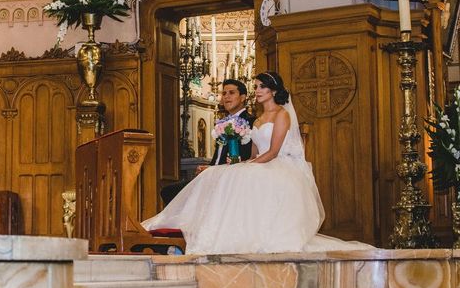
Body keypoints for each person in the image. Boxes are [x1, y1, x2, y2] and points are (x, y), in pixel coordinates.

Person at [143, 71, 371, 254]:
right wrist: (241, 164)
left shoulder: (282, 114)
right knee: (219, 174)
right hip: (260, 161)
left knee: (242, 175)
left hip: (278, 164)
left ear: (273, 90)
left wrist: (249, 165)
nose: (258, 91)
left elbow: (272, 151)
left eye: (262, 87)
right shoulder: (259, 119)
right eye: (256, 87)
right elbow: (253, 151)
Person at [160, 79, 255, 206]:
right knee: (168, 192)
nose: (226, 97)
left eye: (231, 93)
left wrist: (214, 169)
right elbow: (219, 155)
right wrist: (208, 167)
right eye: (224, 93)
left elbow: (247, 154)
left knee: (171, 193)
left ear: (243, 97)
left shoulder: (251, 121)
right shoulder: (223, 122)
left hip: (231, 175)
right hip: (213, 173)